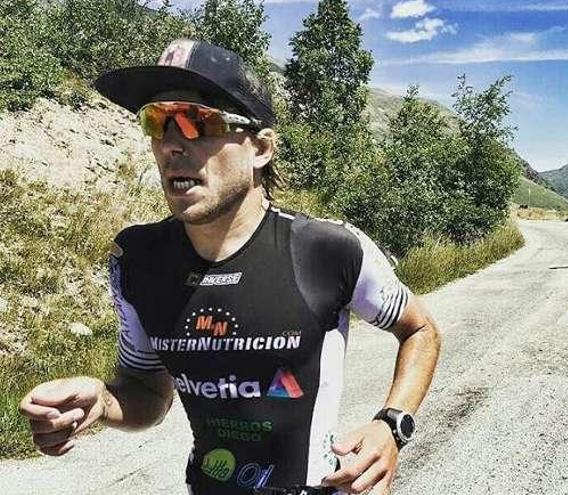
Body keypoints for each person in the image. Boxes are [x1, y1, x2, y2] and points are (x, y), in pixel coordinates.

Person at [18, 39, 441, 495]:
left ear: (260, 148)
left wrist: (391, 425)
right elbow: (146, 392)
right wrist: (101, 400)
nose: (173, 144)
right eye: (157, 123)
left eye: (198, 122)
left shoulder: (328, 248)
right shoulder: (136, 260)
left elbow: (420, 331)